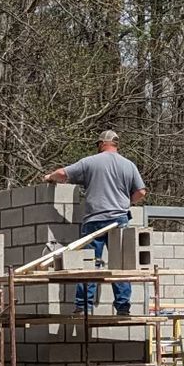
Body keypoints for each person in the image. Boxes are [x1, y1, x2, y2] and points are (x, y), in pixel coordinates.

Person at [42, 129, 147, 315]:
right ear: (116, 144)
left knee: (89, 264)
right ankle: (123, 307)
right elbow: (141, 192)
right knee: (120, 264)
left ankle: (83, 306)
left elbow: (62, 174)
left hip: (94, 220)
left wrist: (49, 177)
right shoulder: (129, 165)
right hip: (119, 220)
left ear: (101, 144)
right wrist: (125, 202)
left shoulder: (90, 162)